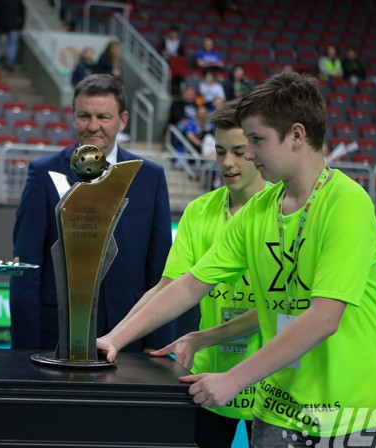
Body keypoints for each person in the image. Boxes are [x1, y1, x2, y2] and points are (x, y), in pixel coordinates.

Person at [98, 72, 376, 446]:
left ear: (297, 135)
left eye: (256, 141)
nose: (248, 154)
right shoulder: (259, 211)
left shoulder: (347, 204)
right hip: (277, 412)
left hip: (352, 416)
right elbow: (190, 283)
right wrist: (114, 338)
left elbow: (323, 318)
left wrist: (234, 379)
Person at [113, 100, 266, 447]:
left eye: (240, 151)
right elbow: (169, 286)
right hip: (207, 376)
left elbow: (281, 307)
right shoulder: (199, 211)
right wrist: (115, 336)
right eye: (220, 151)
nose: (228, 163)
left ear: (257, 149)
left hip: (270, 379)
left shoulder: (281, 210)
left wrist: (203, 336)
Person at [10, 74, 173, 352]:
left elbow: (160, 270)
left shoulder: (150, 177)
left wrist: (157, 343)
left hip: (129, 335)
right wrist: (25, 346)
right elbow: (27, 268)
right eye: (84, 115)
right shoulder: (43, 173)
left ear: (122, 120)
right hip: (56, 334)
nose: (93, 126)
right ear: (73, 116)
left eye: (103, 117)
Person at [0, 0, 25, 71]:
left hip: (0, 25)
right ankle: (10, 63)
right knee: (12, 44)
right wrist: (21, 25)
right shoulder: (18, 1)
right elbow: (22, 13)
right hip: (13, 25)